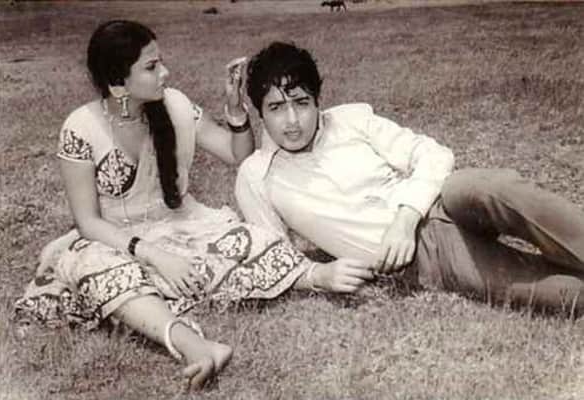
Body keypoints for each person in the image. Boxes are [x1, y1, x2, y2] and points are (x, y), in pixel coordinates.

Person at [13, 23, 374, 391]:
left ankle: (313, 276)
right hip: (112, 242)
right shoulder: (80, 128)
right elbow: (88, 222)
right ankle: (193, 345)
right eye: (151, 67)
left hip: (182, 227)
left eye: (160, 62)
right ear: (118, 81)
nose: (165, 72)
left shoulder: (176, 106)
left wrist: (235, 111)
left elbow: (238, 155)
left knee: (248, 239)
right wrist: (156, 256)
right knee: (93, 266)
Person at [235, 41, 584, 312]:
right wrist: (319, 276)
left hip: (440, 199)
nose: (292, 121)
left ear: (317, 101)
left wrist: (405, 219)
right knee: (563, 295)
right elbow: (271, 256)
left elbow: (433, 153)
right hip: (426, 257)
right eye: (276, 108)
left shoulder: (350, 121)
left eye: (301, 102)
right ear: (260, 113)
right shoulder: (257, 176)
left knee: (494, 188)